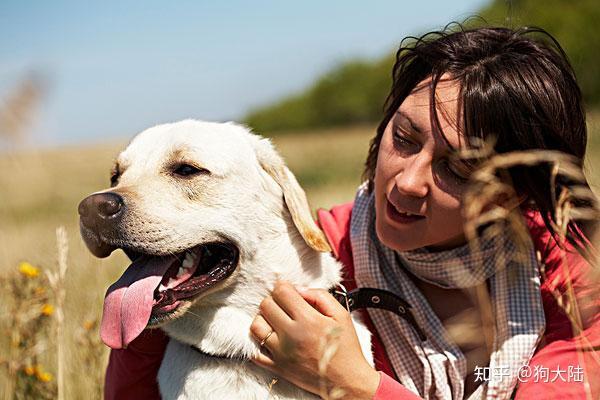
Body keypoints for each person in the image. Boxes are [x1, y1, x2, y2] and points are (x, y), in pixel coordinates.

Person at [104, 25, 600, 399]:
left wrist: (356, 385)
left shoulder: (577, 288)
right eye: (403, 139)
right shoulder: (316, 254)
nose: (407, 181)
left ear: (515, 192)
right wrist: (150, 290)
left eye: (459, 167)